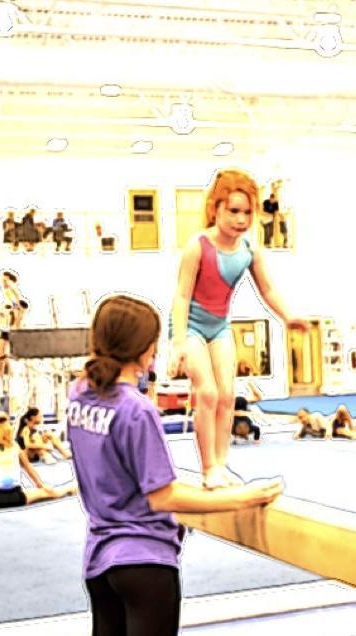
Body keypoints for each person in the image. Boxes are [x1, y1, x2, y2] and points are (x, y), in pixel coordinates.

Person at [69, 294, 283, 636]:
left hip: (99, 561)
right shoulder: (136, 409)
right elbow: (162, 496)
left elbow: (130, 475)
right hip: (143, 562)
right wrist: (245, 497)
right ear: (147, 349)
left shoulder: (79, 395)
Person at [169, 169, 308, 489]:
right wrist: (178, 343)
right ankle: (208, 469)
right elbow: (182, 296)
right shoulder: (197, 246)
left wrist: (288, 317)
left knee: (228, 395)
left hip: (219, 327)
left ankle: (220, 465)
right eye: (233, 210)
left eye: (247, 212)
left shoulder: (249, 251)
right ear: (215, 208)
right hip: (191, 327)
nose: (241, 219)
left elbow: (268, 289)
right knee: (207, 393)